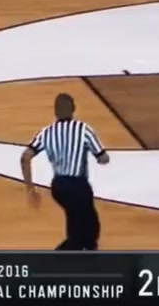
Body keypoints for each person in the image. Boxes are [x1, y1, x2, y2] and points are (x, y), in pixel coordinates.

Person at [21, 92, 109, 251]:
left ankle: (80, 255)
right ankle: (60, 258)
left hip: (58, 186)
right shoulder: (83, 129)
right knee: (88, 229)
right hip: (78, 185)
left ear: (55, 111)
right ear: (73, 109)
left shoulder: (46, 132)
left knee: (77, 223)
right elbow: (102, 157)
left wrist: (30, 189)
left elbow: (25, 158)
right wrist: (103, 158)